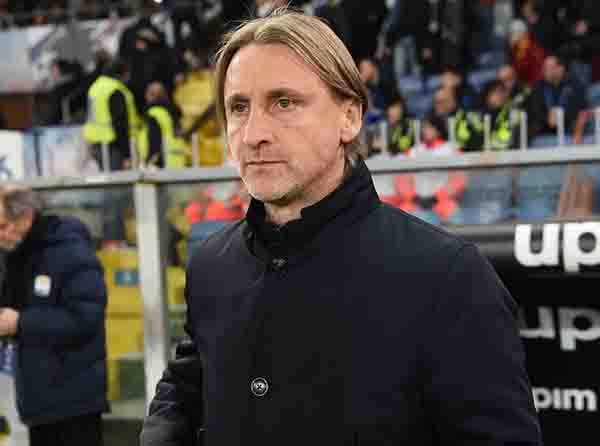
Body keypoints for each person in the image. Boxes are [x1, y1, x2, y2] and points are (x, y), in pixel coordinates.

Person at [140, 9, 542, 446]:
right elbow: (182, 393)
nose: (254, 134)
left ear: (349, 118)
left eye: (283, 103)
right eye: (239, 107)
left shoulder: (449, 277)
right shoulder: (211, 266)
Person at [0, 185, 108, 446]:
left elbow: (86, 318)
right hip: (37, 402)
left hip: (74, 403)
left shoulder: (70, 251)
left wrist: (20, 323)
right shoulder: (15, 255)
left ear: (25, 218)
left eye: (2, 226)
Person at [83, 58, 141, 171]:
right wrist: (127, 154)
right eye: (127, 72)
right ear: (120, 73)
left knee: (106, 177)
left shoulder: (96, 86)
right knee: (119, 178)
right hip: (113, 144)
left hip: (96, 141)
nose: (128, 76)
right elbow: (119, 122)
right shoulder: (114, 90)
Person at [527, 54, 587, 138]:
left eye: (549, 68)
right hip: (544, 130)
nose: (544, 71)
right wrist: (547, 117)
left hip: (569, 130)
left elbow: (580, 109)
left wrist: (560, 115)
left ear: (560, 69)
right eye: (544, 68)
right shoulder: (539, 86)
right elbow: (534, 110)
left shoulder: (575, 85)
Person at [138, 82, 187, 168]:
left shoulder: (153, 113)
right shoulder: (172, 113)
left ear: (150, 96)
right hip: (177, 162)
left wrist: (150, 160)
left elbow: (154, 139)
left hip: (161, 165)